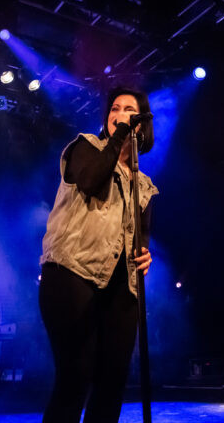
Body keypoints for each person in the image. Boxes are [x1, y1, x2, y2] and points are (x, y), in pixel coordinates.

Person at [38, 86, 159, 423]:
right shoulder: (86, 147)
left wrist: (145, 257)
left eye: (129, 110)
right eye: (114, 109)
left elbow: (141, 239)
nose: (119, 114)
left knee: (112, 382)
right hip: (71, 272)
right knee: (76, 375)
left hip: (121, 286)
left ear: (142, 122)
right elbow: (92, 181)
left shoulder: (145, 185)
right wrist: (119, 135)